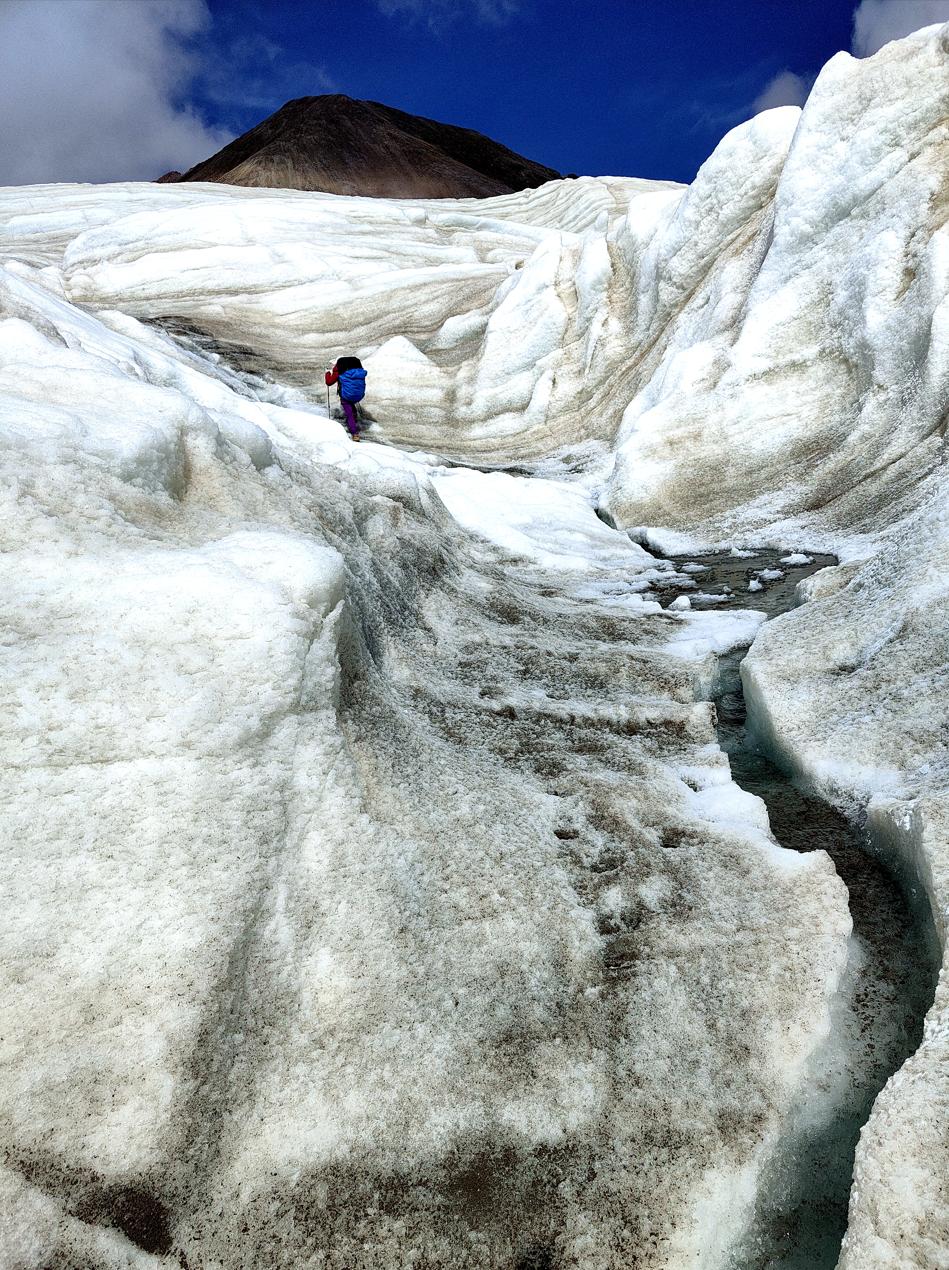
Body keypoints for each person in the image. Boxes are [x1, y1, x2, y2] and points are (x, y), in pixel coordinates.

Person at [325, 356, 368, 440]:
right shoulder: (359, 371)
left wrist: (327, 373)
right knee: (351, 404)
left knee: (349, 413)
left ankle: (354, 433)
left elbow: (329, 382)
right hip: (359, 395)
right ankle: (355, 417)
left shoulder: (340, 370)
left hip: (346, 396)